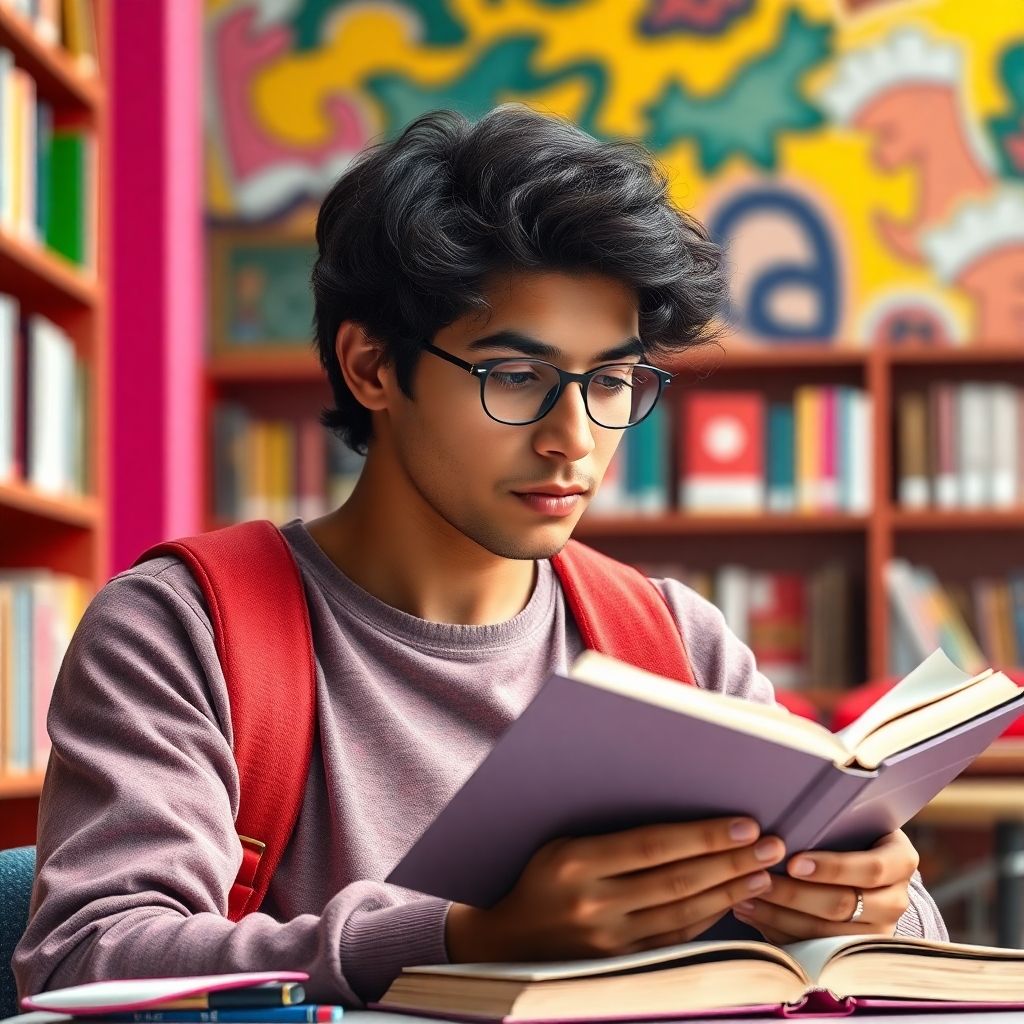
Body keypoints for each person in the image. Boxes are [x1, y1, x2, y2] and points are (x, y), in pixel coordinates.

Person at [14, 104, 945, 1008]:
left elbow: (894, 941)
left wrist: (870, 903)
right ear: (372, 367)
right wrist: (465, 939)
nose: (574, 439)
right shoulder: (186, 628)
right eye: (518, 376)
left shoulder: (671, 642)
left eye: (613, 380)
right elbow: (88, 959)